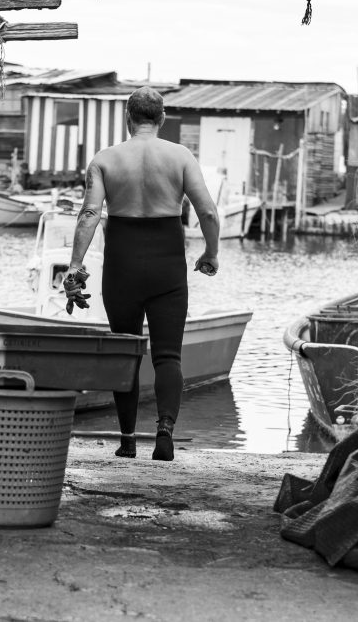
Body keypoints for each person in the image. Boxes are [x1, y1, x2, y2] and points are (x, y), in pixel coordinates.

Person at [63, 86, 220, 462]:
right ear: (162, 118)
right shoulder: (180, 156)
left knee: (126, 352)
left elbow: (90, 214)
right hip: (167, 265)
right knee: (168, 356)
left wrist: (75, 264)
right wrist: (211, 252)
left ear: (127, 118)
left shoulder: (105, 159)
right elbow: (208, 212)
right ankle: (164, 433)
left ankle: (128, 440)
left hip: (122, 264)